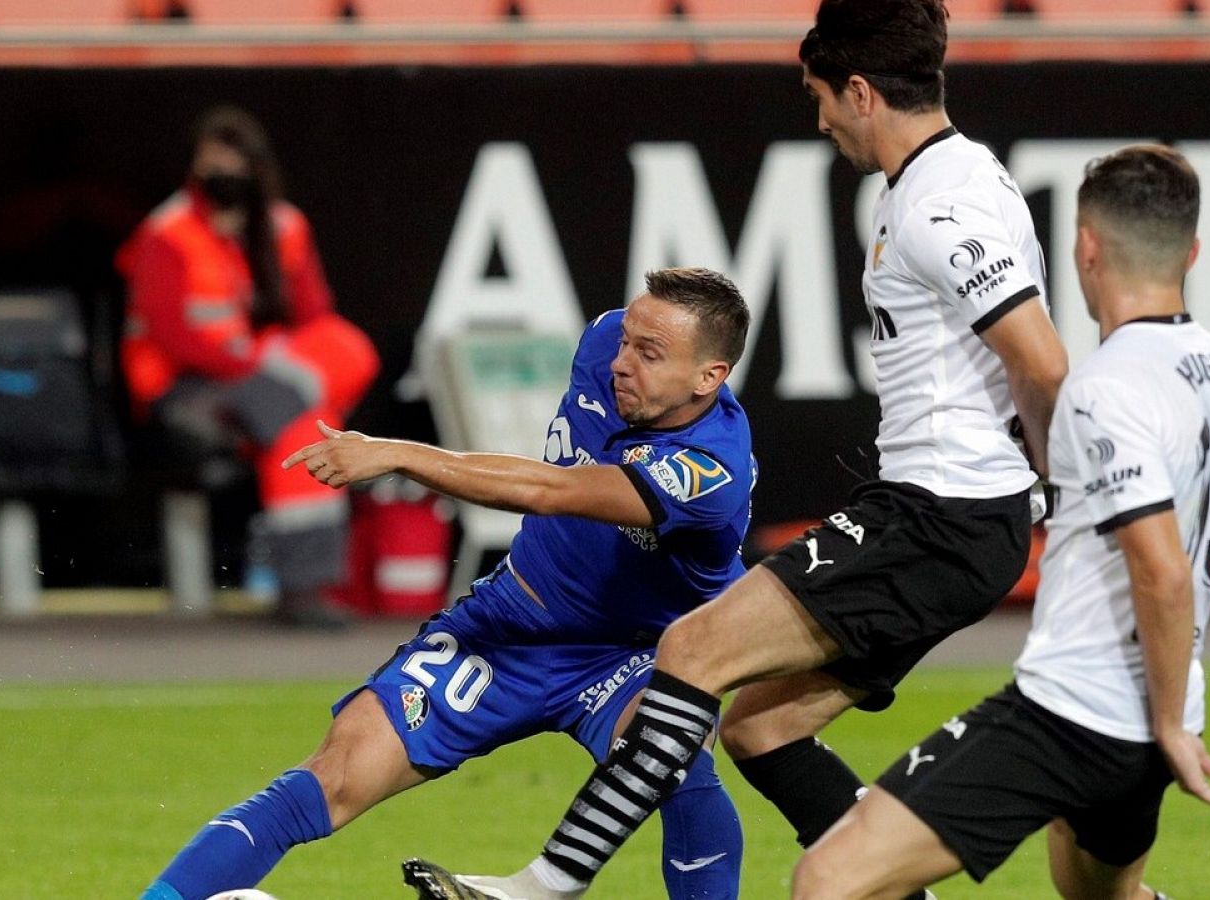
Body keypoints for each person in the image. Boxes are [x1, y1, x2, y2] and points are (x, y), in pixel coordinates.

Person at [415, 2, 1068, 897]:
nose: (821, 118)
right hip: (952, 516)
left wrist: (1071, 504)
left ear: (863, 91)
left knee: (691, 649)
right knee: (762, 726)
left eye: (821, 97)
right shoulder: (951, 180)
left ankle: (544, 886)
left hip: (939, 512)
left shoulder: (942, 207)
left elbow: (1043, 361)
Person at [791, 145, 1210, 900]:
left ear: (1086, 247)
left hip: (1075, 714)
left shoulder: (1103, 388)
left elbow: (1160, 569)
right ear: (1193, 252)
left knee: (828, 881)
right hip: (1152, 726)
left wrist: (1171, 724)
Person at [137, 267, 754, 900]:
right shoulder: (603, 342)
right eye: (627, 340)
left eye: (650, 354)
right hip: (508, 626)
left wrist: (399, 453)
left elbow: (552, 490)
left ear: (710, 377)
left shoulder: (711, 470)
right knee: (335, 776)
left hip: (633, 651)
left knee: (676, 767)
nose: (623, 362)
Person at [116, 105, 379, 627]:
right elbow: (172, 335)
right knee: (306, 423)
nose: (224, 176)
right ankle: (302, 592)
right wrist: (250, 359)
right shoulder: (167, 231)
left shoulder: (283, 225)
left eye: (235, 164)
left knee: (344, 356)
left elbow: (313, 316)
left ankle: (305, 589)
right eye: (213, 163)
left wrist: (257, 249)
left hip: (262, 381)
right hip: (185, 387)